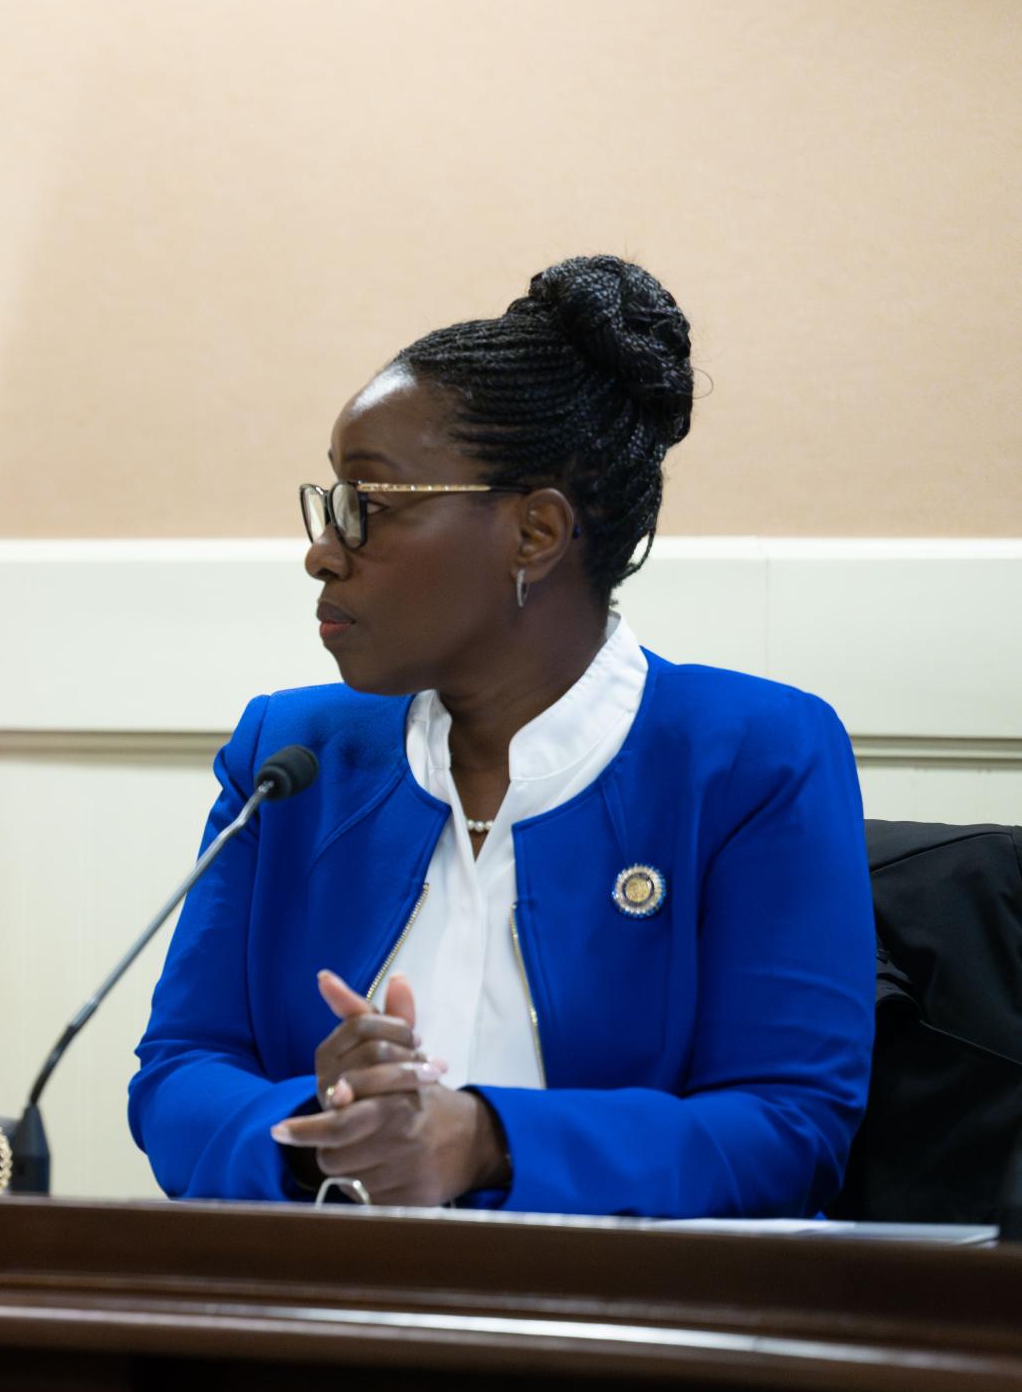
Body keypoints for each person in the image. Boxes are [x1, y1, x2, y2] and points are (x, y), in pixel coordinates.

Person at [128, 257, 874, 1216]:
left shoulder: (752, 756)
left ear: (535, 533)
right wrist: (321, 1129)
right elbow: (180, 1074)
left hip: (613, 1337)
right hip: (325, 1319)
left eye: (371, 504)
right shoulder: (294, 754)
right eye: (329, 505)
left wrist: (481, 1140)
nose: (322, 549)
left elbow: (788, 1130)